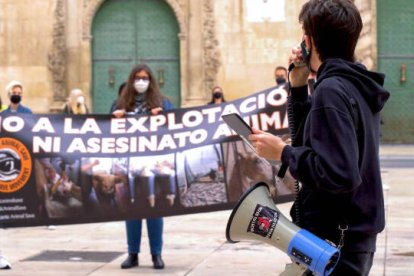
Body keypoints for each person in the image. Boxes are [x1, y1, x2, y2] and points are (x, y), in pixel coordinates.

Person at [250, 1, 390, 275]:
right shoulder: (353, 83)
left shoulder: (332, 90)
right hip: (350, 237)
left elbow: (340, 174)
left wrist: (283, 153)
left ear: (308, 40)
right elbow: (316, 142)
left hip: (334, 242)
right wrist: (299, 86)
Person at [113, 64, 173, 270]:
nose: (141, 81)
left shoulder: (162, 102)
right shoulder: (120, 103)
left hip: (153, 163)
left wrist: (163, 116)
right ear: (132, 80)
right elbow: (106, 132)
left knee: (155, 209)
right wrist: (116, 119)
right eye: (137, 77)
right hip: (130, 164)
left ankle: (156, 254)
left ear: (151, 81)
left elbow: (177, 126)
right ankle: (133, 254)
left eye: (145, 78)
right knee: (132, 211)